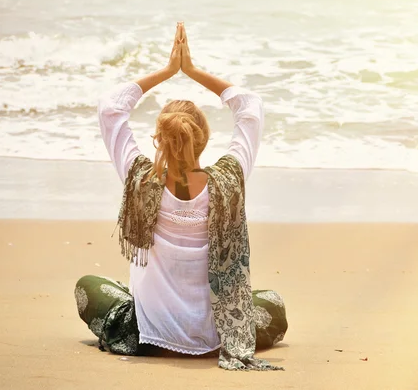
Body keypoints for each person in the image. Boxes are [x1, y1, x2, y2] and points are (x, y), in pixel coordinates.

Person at [73, 22, 287, 371]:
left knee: (89, 286)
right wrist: (192, 70)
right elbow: (250, 107)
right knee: (272, 304)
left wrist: (168, 70)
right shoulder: (229, 181)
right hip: (217, 334)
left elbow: (110, 107)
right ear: (202, 138)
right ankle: (202, 333)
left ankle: (150, 327)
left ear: (159, 138)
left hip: (147, 332)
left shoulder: (139, 178)